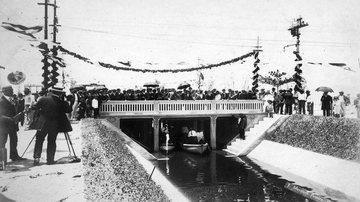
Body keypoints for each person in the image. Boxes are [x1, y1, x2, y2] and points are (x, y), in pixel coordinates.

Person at [31, 86, 72, 165]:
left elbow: (34, 107)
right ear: (60, 93)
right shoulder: (61, 102)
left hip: (42, 124)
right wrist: (66, 101)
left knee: (39, 140)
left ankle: (36, 159)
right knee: (52, 141)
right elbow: (69, 110)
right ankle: (50, 160)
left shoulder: (43, 99)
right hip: (54, 125)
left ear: (52, 92)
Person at [0, 86, 26, 161]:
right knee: (2, 142)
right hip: (4, 125)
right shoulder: (1, 101)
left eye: (11, 90)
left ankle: (14, 156)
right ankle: (1, 159)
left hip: (12, 125)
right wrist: (10, 119)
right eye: (10, 90)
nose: (12, 92)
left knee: (14, 140)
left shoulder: (12, 100)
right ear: (5, 92)